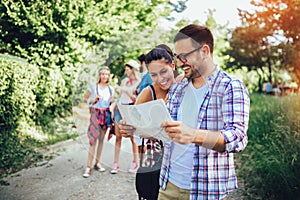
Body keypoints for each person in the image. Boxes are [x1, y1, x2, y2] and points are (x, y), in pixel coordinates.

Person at [159, 24, 250, 199]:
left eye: (184, 56)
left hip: (206, 190)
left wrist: (194, 135)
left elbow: (238, 138)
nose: (179, 63)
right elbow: (166, 129)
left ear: (204, 51)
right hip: (168, 185)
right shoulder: (179, 86)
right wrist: (138, 128)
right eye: (178, 57)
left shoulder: (230, 86)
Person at [122, 46, 176, 200]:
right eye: (154, 74)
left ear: (173, 65)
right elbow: (134, 125)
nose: (160, 79)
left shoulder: (184, 87)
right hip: (156, 159)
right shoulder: (148, 92)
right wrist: (127, 128)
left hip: (179, 160)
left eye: (163, 71)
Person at [82, 67, 115, 178]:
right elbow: (85, 100)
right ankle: (88, 166)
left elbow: (111, 103)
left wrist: (112, 102)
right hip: (95, 114)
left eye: (107, 74)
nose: (105, 76)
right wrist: (93, 100)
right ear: (99, 75)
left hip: (105, 114)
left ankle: (97, 163)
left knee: (101, 140)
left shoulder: (111, 89)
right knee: (93, 140)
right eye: (103, 74)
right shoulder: (93, 87)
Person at [110, 59, 141, 174]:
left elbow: (135, 99)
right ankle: (115, 163)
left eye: (128, 69)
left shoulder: (139, 82)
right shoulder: (124, 81)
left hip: (130, 110)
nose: (126, 71)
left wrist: (127, 92)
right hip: (120, 109)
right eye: (126, 69)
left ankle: (135, 162)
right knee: (118, 137)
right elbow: (120, 97)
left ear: (133, 70)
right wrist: (113, 107)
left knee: (133, 138)